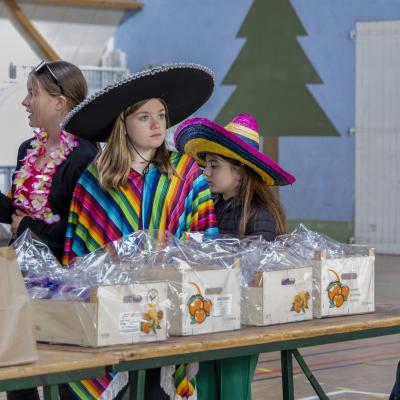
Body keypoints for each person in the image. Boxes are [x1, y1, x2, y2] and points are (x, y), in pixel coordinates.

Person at [61, 63, 218, 399]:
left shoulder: (186, 174)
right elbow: (81, 258)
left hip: (172, 311)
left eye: (161, 115)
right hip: (113, 314)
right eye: (144, 117)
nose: (157, 124)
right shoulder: (95, 180)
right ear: (123, 123)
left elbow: (205, 242)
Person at [174, 113, 295, 400]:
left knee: (232, 392)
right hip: (208, 315)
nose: (206, 172)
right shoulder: (211, 207)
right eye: (205, 165)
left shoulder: (260, 215)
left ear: (239, 171)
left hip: (242, 323)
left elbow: (257, 274)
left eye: (215, 165)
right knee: (204, 390)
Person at [0, 60, 98, 400]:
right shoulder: (27, 150)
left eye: (33, 94)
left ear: (60, 102)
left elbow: (81, 232)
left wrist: (27, 225)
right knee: (17, 370)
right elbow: (17, 209)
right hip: (21, 279)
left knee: (67, 381)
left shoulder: (84, 156)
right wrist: (18, 218)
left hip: (64, 286)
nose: (25, 102)